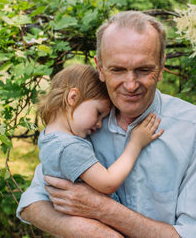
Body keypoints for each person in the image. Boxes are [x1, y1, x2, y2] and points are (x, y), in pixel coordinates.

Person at [17, 11, 196, 237]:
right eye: (117, 70)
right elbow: (32, 204)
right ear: (100, 68)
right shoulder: (82, 124)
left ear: (162, 66)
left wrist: (103, 209)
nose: (131, 85)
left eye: (144, 70)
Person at [37, 64, 163, 199]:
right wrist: (136, 143)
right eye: (98, 113)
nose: (99, 124)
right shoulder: (68, 147)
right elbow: (108, 184)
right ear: (73, 97)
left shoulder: (48, 137)